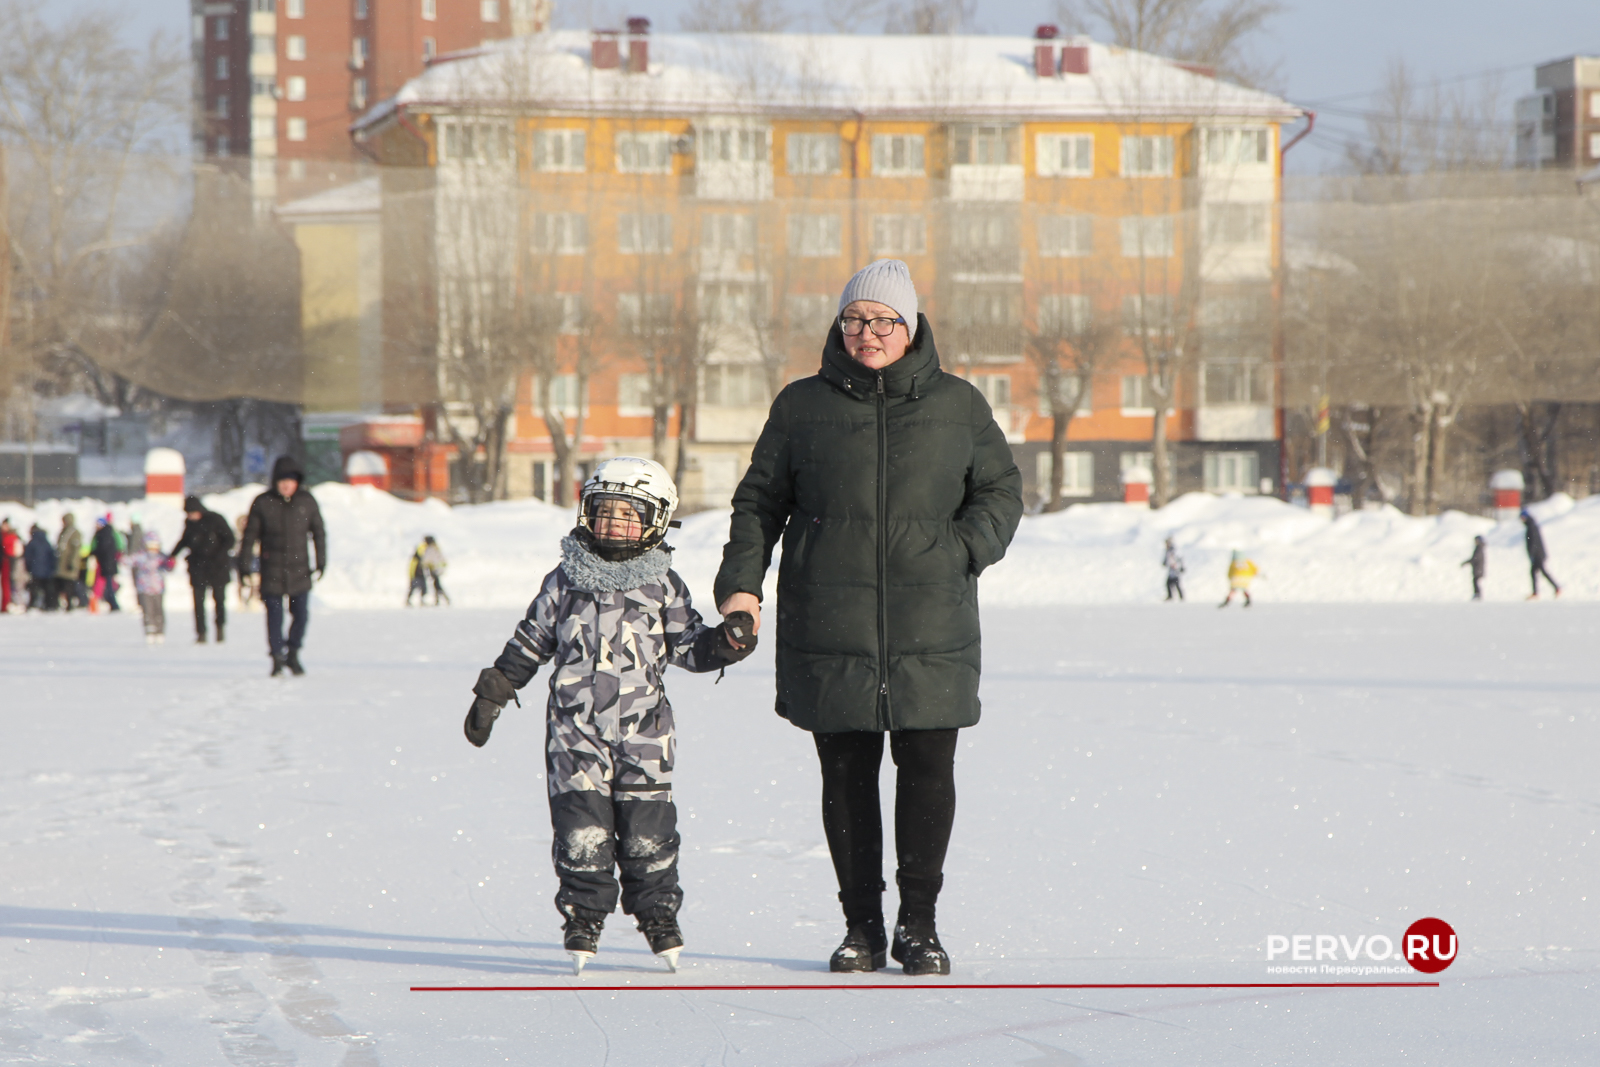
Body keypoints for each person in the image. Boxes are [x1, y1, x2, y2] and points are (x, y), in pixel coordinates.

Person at [714, 259, 1024, 976]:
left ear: (910, 326)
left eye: (885, 320)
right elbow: (757, 505)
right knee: (845, 776)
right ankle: (862, 928)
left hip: (932, 623)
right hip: (831, 622)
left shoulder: (959, 405)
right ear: (840, 325)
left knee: (926, 771)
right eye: (856, 319)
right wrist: (741, 589)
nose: (869, 333)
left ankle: (919, 926)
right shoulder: (800, 407)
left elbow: (1001, 492)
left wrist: (957, 549)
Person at [461, 457, 756, 974]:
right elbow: (531, 642)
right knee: (581, 832)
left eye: (629, 514)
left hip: (645, 735)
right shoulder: (564, 580)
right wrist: (495, 690)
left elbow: (689, 647)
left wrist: (727, 642)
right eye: (605, 511)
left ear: (655, 522)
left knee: (649, 833)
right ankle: (584, 917)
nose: (614, 523)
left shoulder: (664, 585)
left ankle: (658, 914)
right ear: (586, 514)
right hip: (574, 735)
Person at [239, 455, 326, 676]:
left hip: (299, 570)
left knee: (301, 615)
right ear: (275, 481)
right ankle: (277, 656)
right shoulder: (263, 502)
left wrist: (321, 560)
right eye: (282, 480)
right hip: (272, 569)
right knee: (274, 616)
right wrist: (244, 565)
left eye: (291, 480)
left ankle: (293, 652)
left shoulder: (307, 502)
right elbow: (249, 537)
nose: (287, 484)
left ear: (298, 481)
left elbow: (318, 533)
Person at [170, 495, 237, 643]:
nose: (191, 516)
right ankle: (201, 633)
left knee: (219, 600)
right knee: (198, 602)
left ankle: (220, 629)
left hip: (218, 567)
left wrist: (219, 554)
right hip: (198, 567)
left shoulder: (216, 519)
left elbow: (230, 539)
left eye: (193, 512)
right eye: (188, 513)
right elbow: (184, 540)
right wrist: (172, 555)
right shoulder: (189, 523)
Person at [127, 531, 175, 643]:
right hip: (144, 588)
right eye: (150, 545)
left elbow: (168, 567)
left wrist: (170, 564)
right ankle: (149, 630)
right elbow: (129, 561)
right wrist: (120, 556)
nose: (152, 548)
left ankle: (160, 630)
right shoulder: (142, 556)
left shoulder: (161, 556)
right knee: (147, 610)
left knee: (158, 609)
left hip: (158, 588)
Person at [88, 514, 124, 613]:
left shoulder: (103, 534)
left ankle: (114, 604)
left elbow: (102, 549)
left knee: (108, 585)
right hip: (108, 563)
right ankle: (111, 603)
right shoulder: (108, 532)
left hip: (106, 564)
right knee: (108, 584)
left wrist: (94, 553)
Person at [1521, 510, 1560, 600]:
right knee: (1535, 572)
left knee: (1541, 572)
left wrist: (1533, 554)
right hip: (1537, 554)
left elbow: (1534, 542)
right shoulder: (1531, 526)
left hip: (1537, 555)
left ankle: (1556, 588)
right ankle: (1538, 592)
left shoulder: (1531, 527)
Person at [54, 514, 83, 612]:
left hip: (68, 563)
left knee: (69, 585)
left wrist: (72, 562)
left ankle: (71, 603)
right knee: (60, 584)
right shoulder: (64, 531)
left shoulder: (74, 533)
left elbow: (75, 550)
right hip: (61, 563)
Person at [24, 524, 56, 611]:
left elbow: (28, 557)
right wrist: (52, 568)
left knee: (34, 589)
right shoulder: (46, 541)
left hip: (35, 570)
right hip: (47, 571)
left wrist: (28, 568)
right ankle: (49, 605)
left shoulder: (32, 542)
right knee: (47, 589)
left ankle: (33, 604)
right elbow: (52, 555)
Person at [234, 514, 258, 610]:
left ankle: (253, 599)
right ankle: (241, 601)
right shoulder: (237, 534)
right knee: (240, 581)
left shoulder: (255, 533)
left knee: (254, 581)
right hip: (239, 558)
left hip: (254, 557)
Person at [0, 518, 20, 614]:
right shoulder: (8, 536)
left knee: (8, 584)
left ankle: (7, 604)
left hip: (8, 561)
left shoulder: (10, 536)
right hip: (7, 561)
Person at [1462, 534, 1486, 600]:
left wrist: (1466, 562)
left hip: (1478, 569)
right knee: (1475, 581)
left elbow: (1475, 559)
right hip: (1477, 569)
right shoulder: (1479, 548)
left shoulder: (1479, 549)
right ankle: (1477, 594)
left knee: (1475, 581)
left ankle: (1477, 595)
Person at [1162, 537, 1185, 602]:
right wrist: (1164, 562)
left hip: (1175, 569)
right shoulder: (1168, 551)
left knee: (1176, 583)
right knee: (1168, 583)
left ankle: (1181, 597)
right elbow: (1167, 559)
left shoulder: (1174, 550)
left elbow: (1180, 558)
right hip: (1171, 570)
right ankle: (1170, 596)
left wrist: (1182, 567)